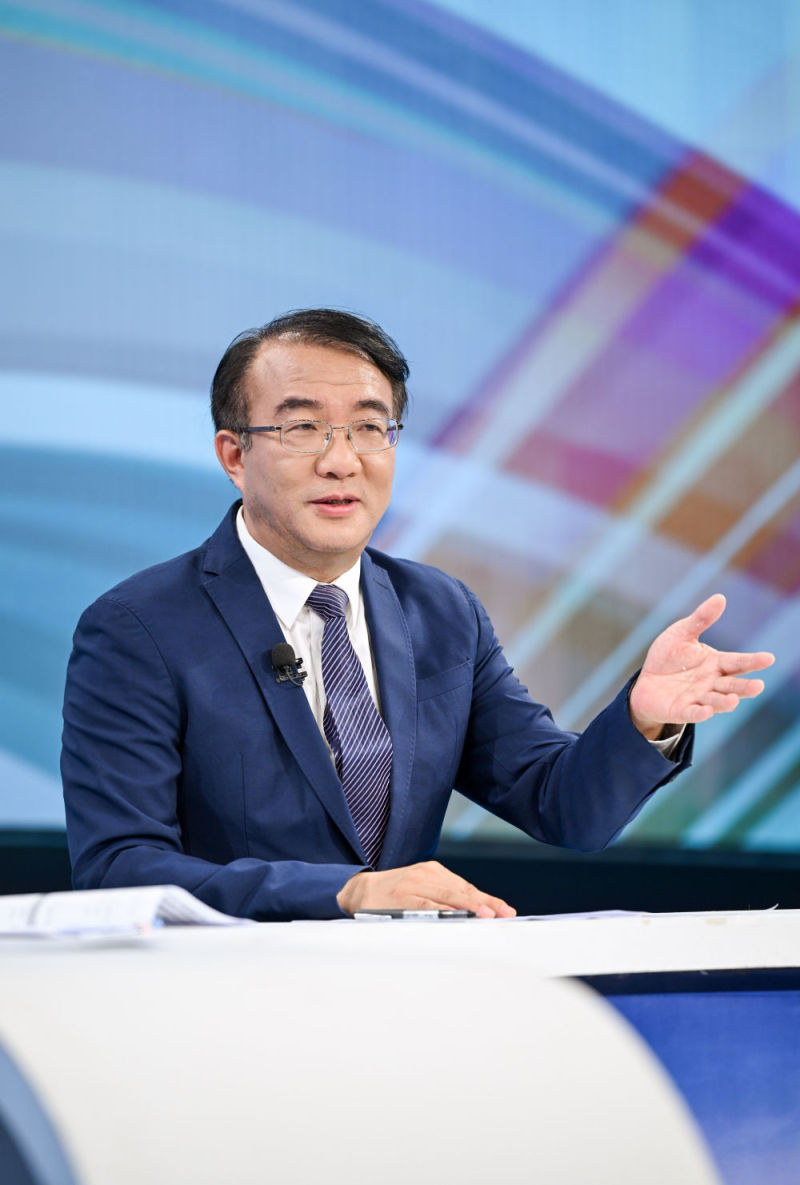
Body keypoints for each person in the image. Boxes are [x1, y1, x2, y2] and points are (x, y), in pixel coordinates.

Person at [61, 309, 774, 920]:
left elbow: (564, 807)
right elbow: (119, 869)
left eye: (369, 428)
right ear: (234, 454)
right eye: (303, 427)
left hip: (406, 1000)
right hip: (221, 1001)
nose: (342, 461)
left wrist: (645, 719)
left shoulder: (440, 611)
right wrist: (345, 892)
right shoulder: (139, 629)